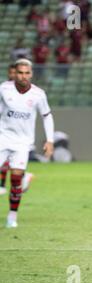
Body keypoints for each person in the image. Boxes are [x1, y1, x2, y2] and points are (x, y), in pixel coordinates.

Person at [0, 59, 54, 228]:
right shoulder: (4, 88)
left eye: (26, 73)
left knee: (15, 178)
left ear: (31, 74)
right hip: (2, 137)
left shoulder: (38, 94)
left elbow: (47, 116)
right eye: (20, 73)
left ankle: (11, 218)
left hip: (23, 143)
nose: (23, 76)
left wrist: (50, 140)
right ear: (14, 73)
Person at [0, 64, 34, 197]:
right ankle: (23, 176)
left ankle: (2, 185)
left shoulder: (23, 90)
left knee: (9, 157)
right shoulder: (4, 88)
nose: (14, 75)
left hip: (14, 131)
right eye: (12, 73)